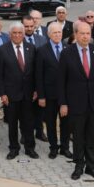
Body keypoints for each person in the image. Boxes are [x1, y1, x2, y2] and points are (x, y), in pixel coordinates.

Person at [59, 21, 94, 181]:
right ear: (76, 34)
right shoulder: (67, 53)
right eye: (82, 33)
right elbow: (62, 81)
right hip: (75, 103)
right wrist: (63, 103)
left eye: (88, 33)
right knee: (78, 137)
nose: (86, 36)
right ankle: (79, 166)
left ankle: (91, 167)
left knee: (92, 137)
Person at [0, 22, 38, 160]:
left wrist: (36, 90)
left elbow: (35, 72)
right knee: (12, 124)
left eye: (20, 32)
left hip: (28, 94)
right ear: (10, 34)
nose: (17, 35)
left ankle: (30, 148)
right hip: (11, 95)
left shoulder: (31, 48)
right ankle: (14, 148)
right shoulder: (2, 50)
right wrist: (2, 93)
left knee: (29, 123)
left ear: (23, 34)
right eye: (14, 33)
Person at [36, 22, 72, 159]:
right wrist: (41, 96)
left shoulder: (68, 49)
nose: (57, 35)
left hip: (66, 96)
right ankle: (53, 148)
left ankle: (65, 148)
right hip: (49, 95)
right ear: (49, 34)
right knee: (51, 123)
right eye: (55, 32)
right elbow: (38, 75)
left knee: (66, 123)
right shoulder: (42, 51)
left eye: (59, 32)